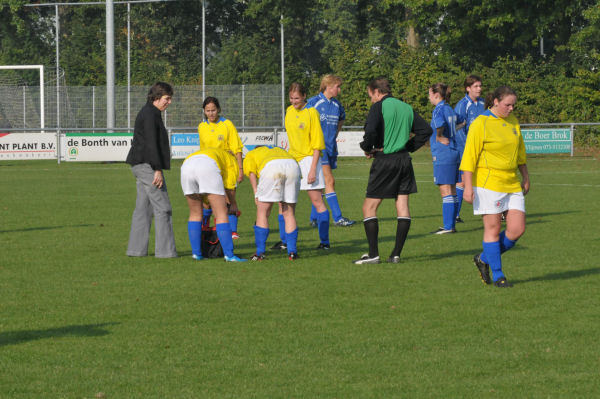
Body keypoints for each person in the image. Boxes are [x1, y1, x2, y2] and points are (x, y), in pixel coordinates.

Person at [354, 77, 432, 264]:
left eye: (370, 95)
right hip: (404, 161)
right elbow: (426, 131)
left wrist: (367, 147)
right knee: (403, 205)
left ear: (376, 92)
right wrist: (408, 146)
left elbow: (371, 131)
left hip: (385, 161)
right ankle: (396, 254)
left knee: (369, 207)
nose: (371, 99)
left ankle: (373, 255)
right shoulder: (406, 107)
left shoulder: (378, 107)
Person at [460, 86, 530, 287]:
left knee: (517, 229)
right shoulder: (481, 122)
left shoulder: (513, 121)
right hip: (487, 183)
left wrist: (525, 176)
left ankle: (483, 258)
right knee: (493, 228)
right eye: (508, 104)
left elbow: (520, 153)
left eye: (513, 105)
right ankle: (499, 276)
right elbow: (469, 156)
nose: (511, 109)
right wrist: (467, 186)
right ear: (496, 101)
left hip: (511, 182)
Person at [272, 82, 331, 251]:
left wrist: (313, 169)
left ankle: (325, 242)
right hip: (292, 161)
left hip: (309, 160)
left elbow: (317, 144)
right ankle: (284, 241)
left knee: (317, 200)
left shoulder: (312, 112)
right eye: (291, 98)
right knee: (283, 202)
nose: (293, 101)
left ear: (304, 96)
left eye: (297, 98)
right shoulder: (289, 111)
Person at [126, 82, 177, 258]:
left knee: (143, 208)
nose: (169, 102)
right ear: (156, 97)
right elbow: (151, 144)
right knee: (164, 208)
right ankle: (165, 252)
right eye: (167, 98)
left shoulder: (150, 112)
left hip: (140, 164)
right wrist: (157, 169)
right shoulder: (150, 115)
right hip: (147, 166)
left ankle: (136, 250)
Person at [181, 147, 247, 262]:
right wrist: (233, 204)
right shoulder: (231, 160)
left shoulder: (213, 151)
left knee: (195, 213)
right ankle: (229, 255)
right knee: (221, 214)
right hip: (207, 166)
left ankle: (196, 254)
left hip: (187, 165)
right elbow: (230, 185)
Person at [306, 74, 355, 227]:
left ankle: (315, 219)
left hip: (330, 147)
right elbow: (304, 124)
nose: (339, 90)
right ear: (328, 86)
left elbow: (342, 118)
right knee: (329, 180)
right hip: (318, 149)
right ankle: (337, 217)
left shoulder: (337, 105)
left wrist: (334, 136)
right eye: (337, 87)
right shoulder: (313, 103)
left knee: (321, 184)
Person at [243, 146, 301, 261]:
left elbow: (251, 172)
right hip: (293, 166)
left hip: (271, 167)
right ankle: (292, 252)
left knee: (262, 213)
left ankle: (259, 253)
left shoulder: (252, 154)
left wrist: (256, 192)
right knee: (289, 213)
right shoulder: (277, 150)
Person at [197, 97, 244, 239]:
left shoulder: (227, 124)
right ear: (204, 111)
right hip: (209, 167)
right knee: (207, 200)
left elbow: (237, 148)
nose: (211, 113)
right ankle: (205, 226)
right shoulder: (202, 127)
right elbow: (202, 149)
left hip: (227, 166)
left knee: (229, 199)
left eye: (213, 110)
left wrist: (240, 169)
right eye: (208, 111)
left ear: (219, 110)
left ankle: (233, 231)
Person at [428, 83, 461, 234]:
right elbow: (462, 122)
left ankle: (448, 227)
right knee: (452, 189)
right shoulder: (450, 109)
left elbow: (439, 125)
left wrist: (440, 136)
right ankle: (451, 225)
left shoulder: (439, 109)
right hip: (454, 151)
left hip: (444, 153)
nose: (428, 97)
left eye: (429, 94)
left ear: (436, 95)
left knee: (445, 190)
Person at [453, 75, 485, 223]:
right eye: (476, 86)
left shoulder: (484, 103)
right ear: (468, 88)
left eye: (480, 86)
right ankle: (455, 214)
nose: (479, 89)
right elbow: (458, 129)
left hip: (484, 149)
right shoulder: (462, 105)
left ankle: (495, 210)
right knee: (463, 181)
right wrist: (469, 149)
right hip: (465, 149)